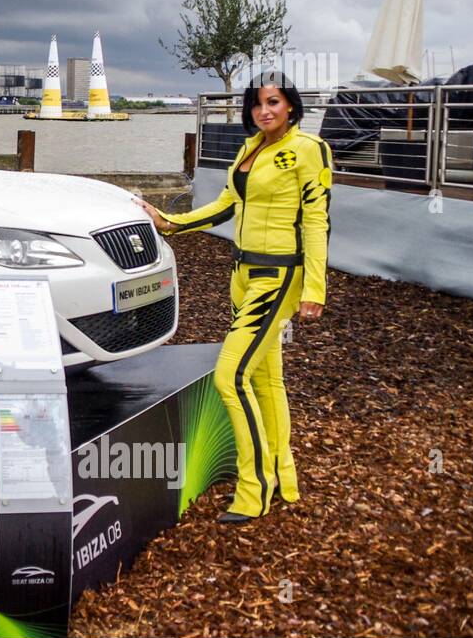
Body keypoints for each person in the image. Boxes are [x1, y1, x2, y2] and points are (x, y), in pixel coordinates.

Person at [134, 72, 334, 524]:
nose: (265, 111)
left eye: (274, 102)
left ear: (291, 107)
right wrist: (170, 221)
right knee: (265, 380)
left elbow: (317, 222)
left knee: (230, 377)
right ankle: (284, 474)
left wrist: (314, 289)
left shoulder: (308, 150)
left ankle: (254, 487)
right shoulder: (251, 148)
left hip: (278, 276)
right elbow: (226, 205)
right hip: (243, 273)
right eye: (257, 104)